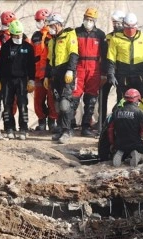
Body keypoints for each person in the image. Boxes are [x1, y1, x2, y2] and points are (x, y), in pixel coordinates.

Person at [0, 20, 35, 140]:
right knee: (7, 104)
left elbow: (31, 65)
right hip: (7, 80)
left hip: (22, 80)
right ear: (11, 34)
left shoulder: (28, 47)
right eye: (16, 35)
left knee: (23, 104)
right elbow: (0, 64)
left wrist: (31, 79)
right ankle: (9, 128)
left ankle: (23, 128)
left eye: (20, 35)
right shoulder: (6, 47)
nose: (19, 37)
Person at [44, 12, 79, 144]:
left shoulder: (69, 35)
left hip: (66, 73)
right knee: (58, 104)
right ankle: (60, 128)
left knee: (65, 103)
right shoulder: (52, 40)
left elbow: (74, 54)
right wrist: (47, 76)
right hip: (55, 74)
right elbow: (49, 60)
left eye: (52, 25)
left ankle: (67, 130)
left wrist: (70, 70)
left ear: (58, 24)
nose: (50, 28)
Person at [73, 8, 107, 136]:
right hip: (79, 66)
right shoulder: (76, 33)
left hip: (94, 68)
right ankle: (70, 124)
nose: (88, 21)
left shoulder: (100, 34)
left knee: (91, 99)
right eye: (87, 18)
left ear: (95, 21)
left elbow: (104, 55)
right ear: (83, 18)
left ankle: (86, 126)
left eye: (91, 20)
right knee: (74, 97)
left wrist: (103, 72)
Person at [107, 12, 143, 102]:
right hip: (123, 76)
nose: (130, 30)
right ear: (124, 25)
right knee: (122, 100)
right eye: (128, 27)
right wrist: (111, 74)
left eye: (132, 27)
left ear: (136, 26)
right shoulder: (115, 38)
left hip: (139, 75)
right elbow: (111, 59)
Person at [108, 88, 143, 167]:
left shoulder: (116, 112)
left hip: (119, 143)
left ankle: (120, 153)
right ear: (137, 100)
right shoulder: (139, 112)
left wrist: (113, 143)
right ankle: (139, 156)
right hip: (135, 143)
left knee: (122, 148)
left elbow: (110, 130)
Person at [31, 8, 58, 132]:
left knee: (52, 98)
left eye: (40, 20)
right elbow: (32, 55)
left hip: (50, 73)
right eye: (37, 20)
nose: (38, 22)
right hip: (37, 73)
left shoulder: (53, 35)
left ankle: (52, 121)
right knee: (38, 99)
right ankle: (41, 121)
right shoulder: (35, 36)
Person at [99, 10, 126, 130]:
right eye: (114, 22)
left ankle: (119, 122)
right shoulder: (108, 37)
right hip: (107, 73)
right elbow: (103, 57)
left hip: (121, 73)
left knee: (121, 98)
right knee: (102, 97)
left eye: (118, 22)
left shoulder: (127, 38)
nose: (116, 25)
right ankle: (102, 123)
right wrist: (104, 73)